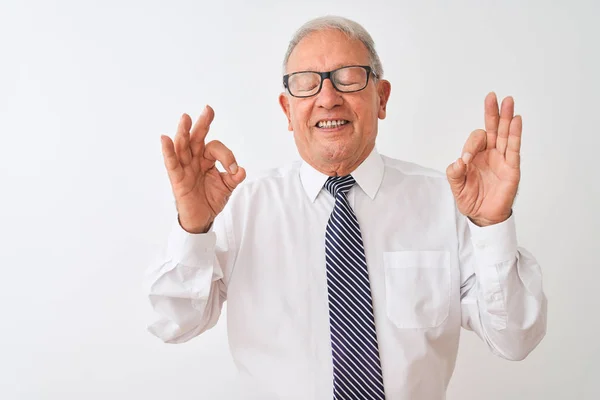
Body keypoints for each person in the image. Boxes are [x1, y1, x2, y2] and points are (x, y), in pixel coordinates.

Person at [145, 15, 547, 400]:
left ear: (381, 97)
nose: (328, 98)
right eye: (306, 84)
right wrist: (193, 227)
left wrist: (492, 224)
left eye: (348, 78)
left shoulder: (449, 201)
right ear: (288, 111)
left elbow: (515, 339)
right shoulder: (243, 206)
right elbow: (174, 324)